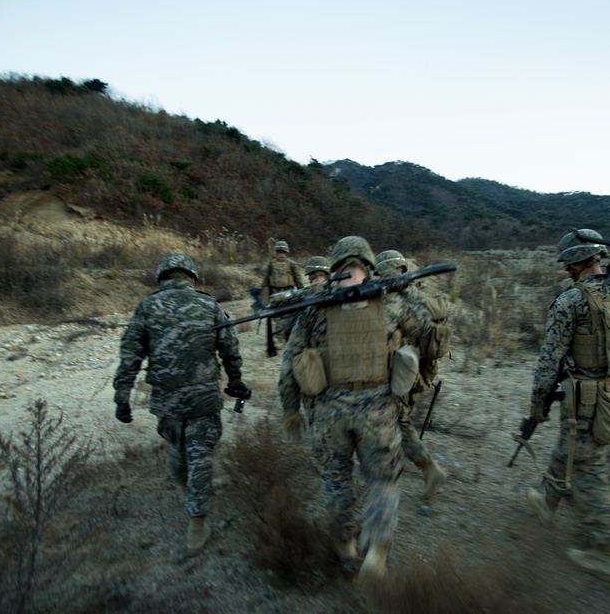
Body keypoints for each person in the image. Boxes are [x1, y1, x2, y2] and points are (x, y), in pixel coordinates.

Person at [277, 236, 441, 579]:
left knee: (336, 480)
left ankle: (346, 546)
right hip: (378, 410)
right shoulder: (393, 304)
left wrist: (291, 409)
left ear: (334, 268)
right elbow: (429, 335)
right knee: (382, 479)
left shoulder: (315, 307)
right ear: (368, 265)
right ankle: (377, 550)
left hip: (328, 411)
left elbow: (290, 362)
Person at [525, 229, 610, 582]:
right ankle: (547, 500)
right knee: (572, 445)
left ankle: (604, 549)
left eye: (567, 264)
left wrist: (537, 404)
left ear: (576, 261)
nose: (566, 271)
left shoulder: (570, 303)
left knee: (590, 468)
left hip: (587, 397)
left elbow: (549, 361)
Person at [113, 253, 246, 553]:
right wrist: (235, 381)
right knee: (200, 455)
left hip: (166, 400)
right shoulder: (209, 305)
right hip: (203, 398)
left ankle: (184, 489)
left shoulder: (147, 306)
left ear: (161, 279)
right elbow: (230, 347)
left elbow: (130, 354)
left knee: (176, 447)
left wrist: (122, 397)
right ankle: (197, 522)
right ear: (192, 278)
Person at [374, 249, 449, 501]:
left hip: (399, 371)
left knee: (398, 422)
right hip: (420, 369)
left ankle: (429, 468)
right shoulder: (422, 293)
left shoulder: (396, 298)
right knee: (401, 419)